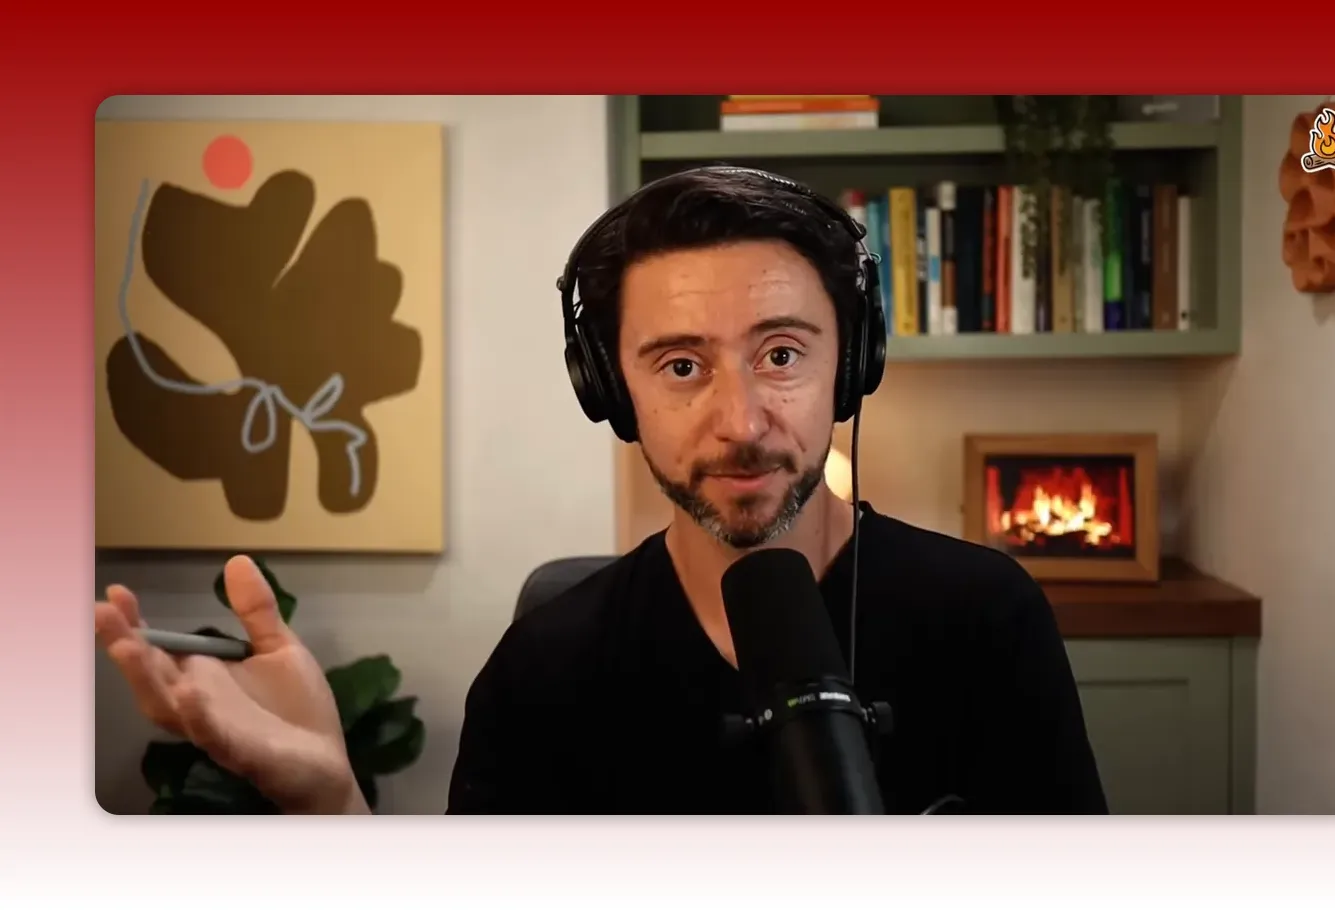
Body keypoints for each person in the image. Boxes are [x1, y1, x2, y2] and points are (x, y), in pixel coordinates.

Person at [95, 166, 1108, 815]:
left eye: (784, 352)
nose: (742, 418)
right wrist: (329, 801)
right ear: (609, 390)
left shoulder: (987, 616)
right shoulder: (545, 666)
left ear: (854, 365)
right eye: (679, 366)